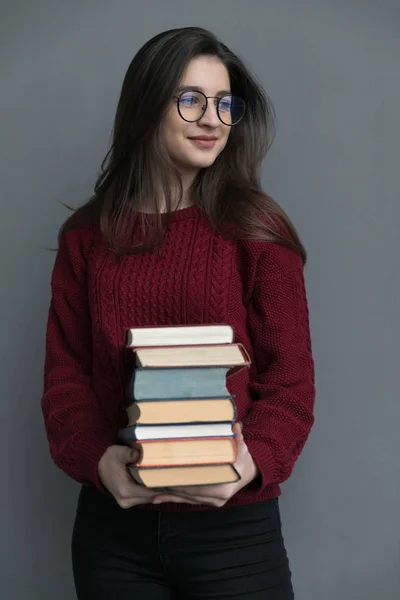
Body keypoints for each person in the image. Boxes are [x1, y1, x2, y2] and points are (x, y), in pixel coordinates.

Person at [41, 26, 316, 600]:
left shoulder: (258, 233)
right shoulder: (86, 240)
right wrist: (99, 463)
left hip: (235, 534)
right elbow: (65, 379)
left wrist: (248, 466)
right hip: (114, 535)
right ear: (146, 107)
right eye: (190, 99)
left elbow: (291, 384)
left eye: (225, 104)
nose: (212, 119)